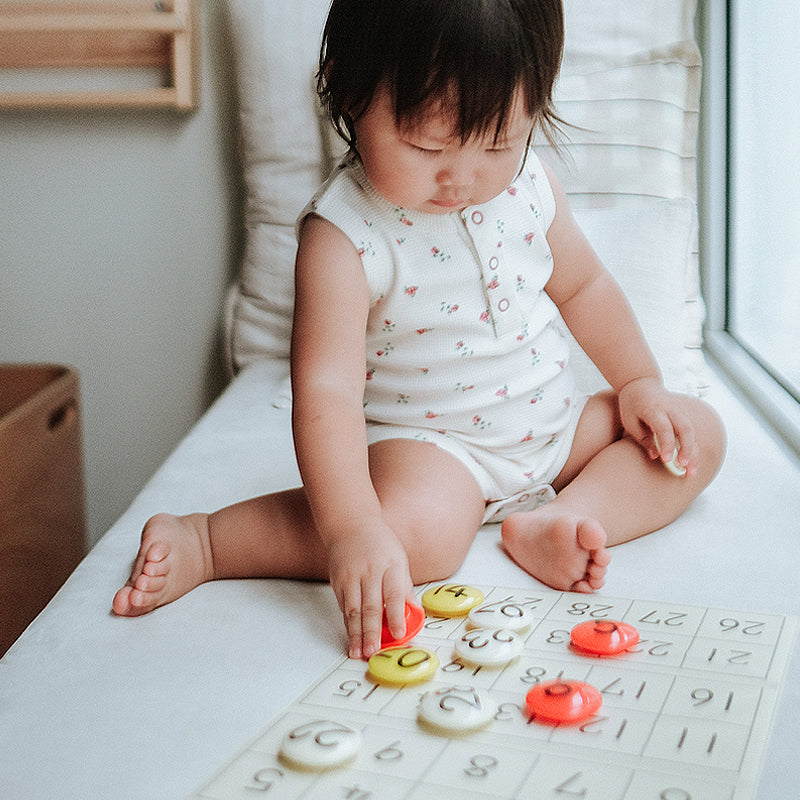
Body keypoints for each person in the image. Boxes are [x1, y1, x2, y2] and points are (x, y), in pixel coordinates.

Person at [113, 0, 725, 660]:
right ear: (349, 91)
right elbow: (328, 395)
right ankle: (207, 540)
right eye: (427, 145)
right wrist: (353, 527)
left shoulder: (529, 187)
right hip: (435, 453)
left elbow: (585, 287)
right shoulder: (344, 236)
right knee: (421, 540)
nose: (461, 178)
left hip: (554, 432)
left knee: (693, 435)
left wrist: (639, 385)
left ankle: (562, 520)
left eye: (498, 142)